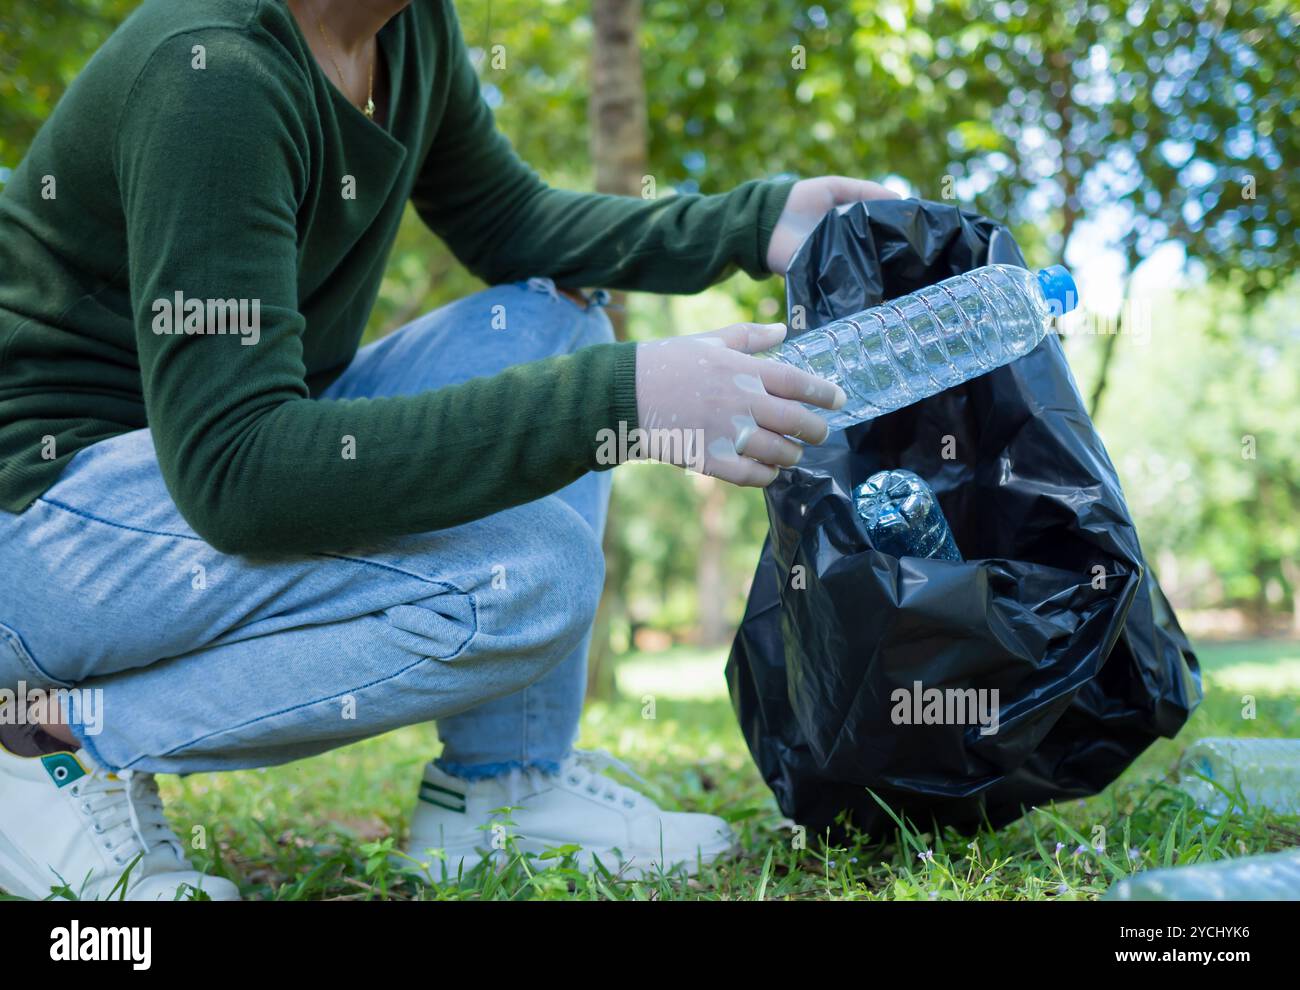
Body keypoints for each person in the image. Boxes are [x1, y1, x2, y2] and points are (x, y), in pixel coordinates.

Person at [0, 0, 896, 900]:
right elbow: (235, 470)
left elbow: (507, 218)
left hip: (191, 479)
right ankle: (44, 746)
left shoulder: (407, 24)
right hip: (47, 523)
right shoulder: (215, 72)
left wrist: (755, 224)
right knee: (532, 574)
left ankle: (496, 791)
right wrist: (621, 400)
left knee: (556, 313)